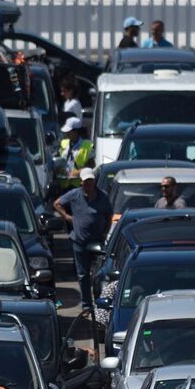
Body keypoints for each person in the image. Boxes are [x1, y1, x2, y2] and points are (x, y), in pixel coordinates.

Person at [53, 168, 112, 317]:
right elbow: (57, 203)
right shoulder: (75, 195)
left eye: (91, 181)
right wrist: (67, 217)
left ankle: (99, 303)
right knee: (83, 275)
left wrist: (105, 232)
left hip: (97, 242)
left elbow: (109, 216)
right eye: (86, 181)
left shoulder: (102, 197)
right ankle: (87, 305)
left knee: (98, 275)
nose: (89, 184)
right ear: (81, 182)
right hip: (79, 241)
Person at [58, 117, 93, 189]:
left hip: (79, 185)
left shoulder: (87, 145)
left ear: (76, 132)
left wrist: (76, 173)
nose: (66, 133)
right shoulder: (63, 144)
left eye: (69, 131)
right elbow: (60, 161)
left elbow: (91, 165)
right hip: (64, 185)